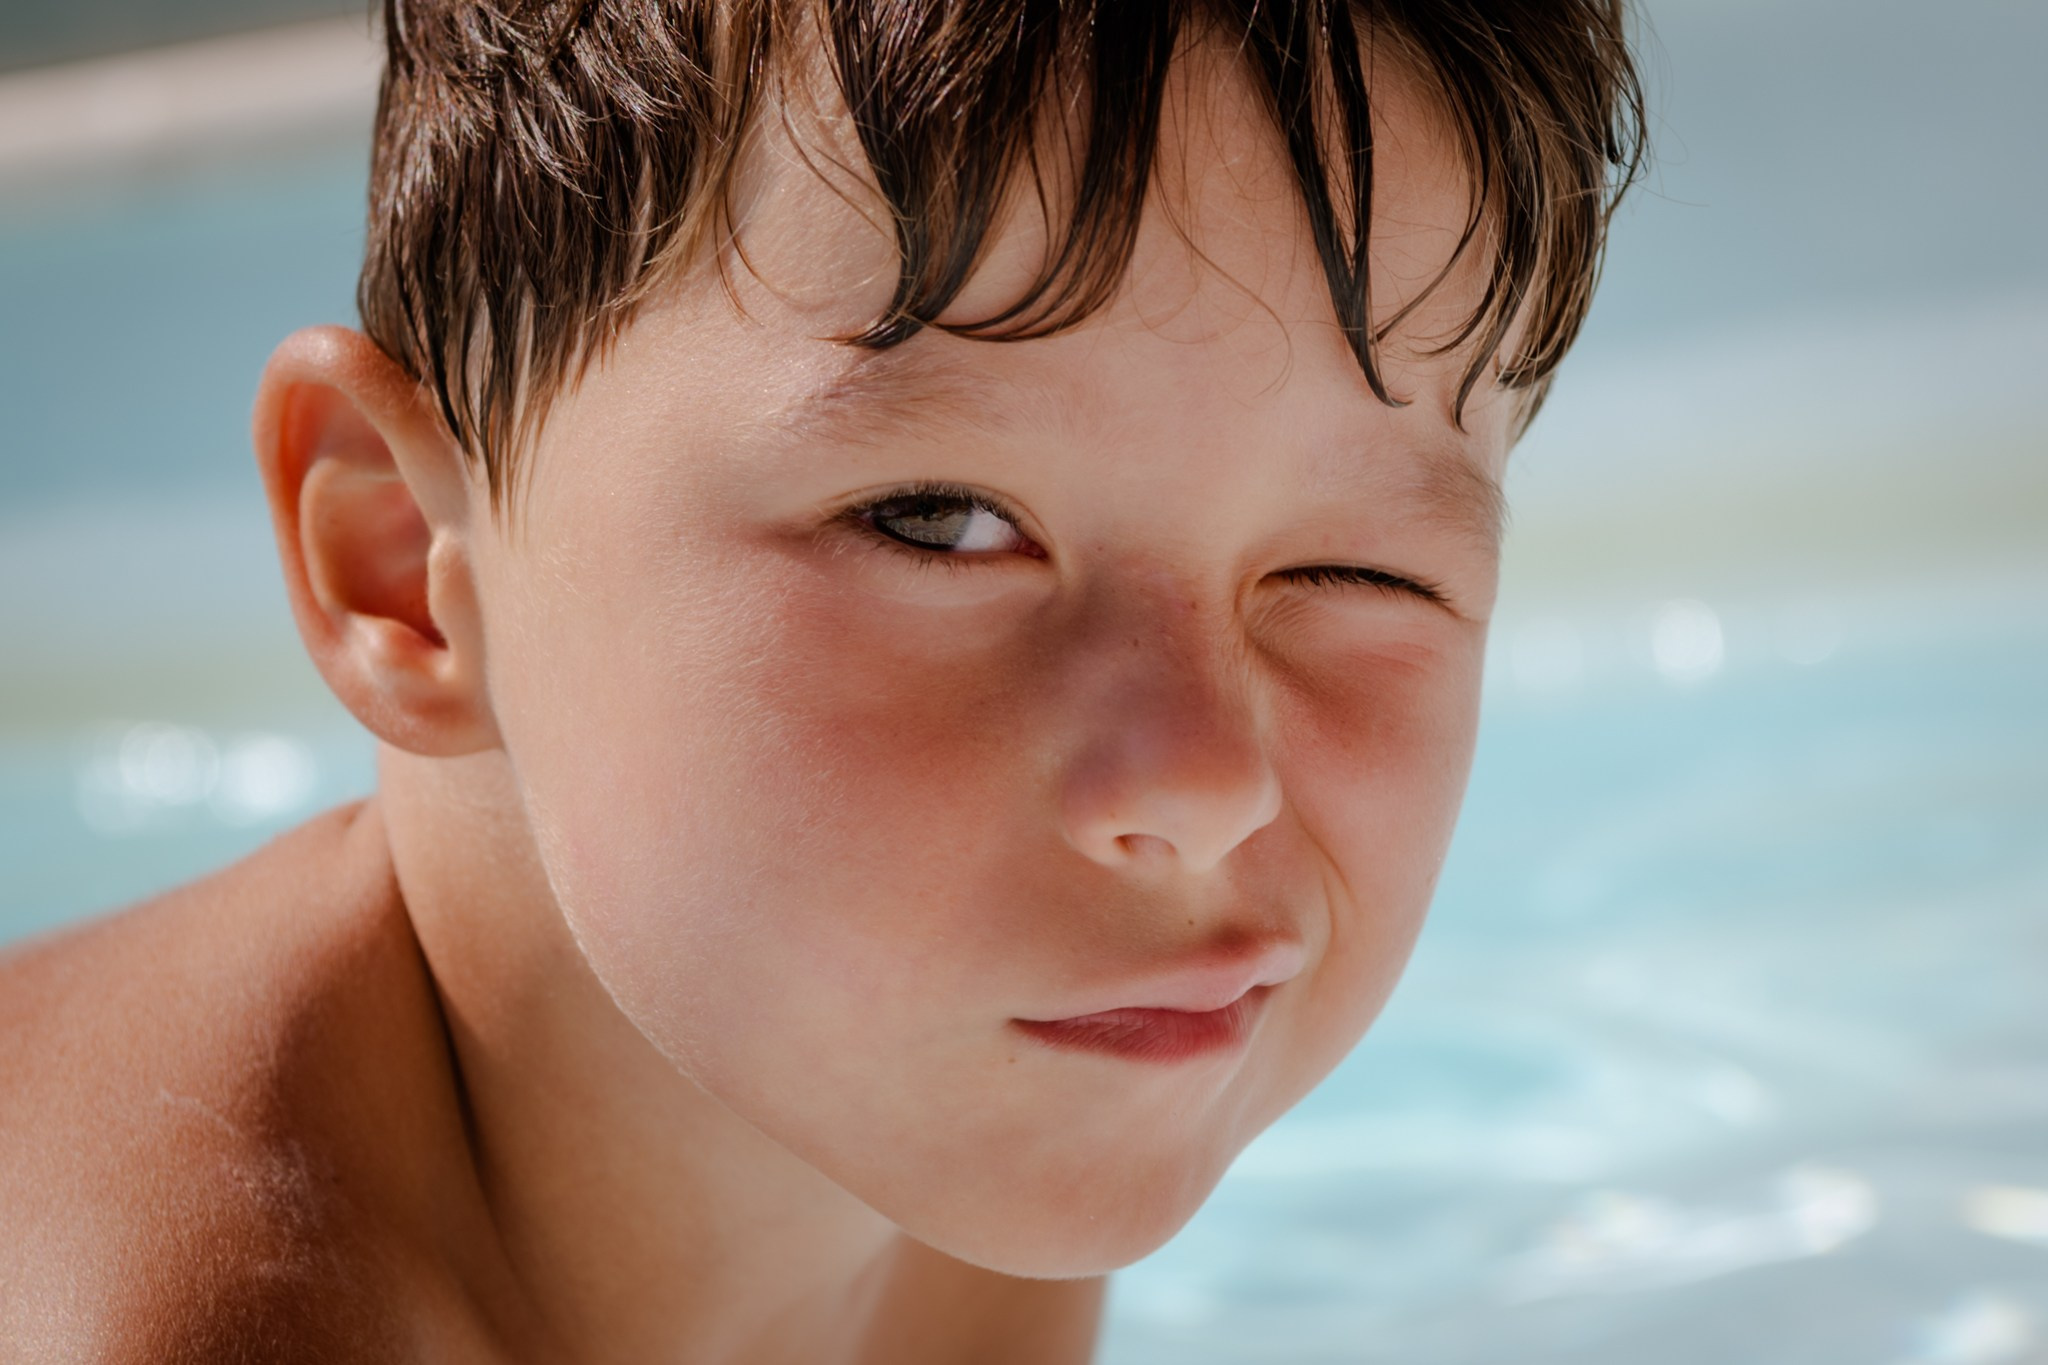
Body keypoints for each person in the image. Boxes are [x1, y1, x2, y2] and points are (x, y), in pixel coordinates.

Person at [0, 1, 1645, 1358]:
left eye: (1357, 568)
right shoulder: (185, 1320)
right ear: (409, 574)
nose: (1203, 779)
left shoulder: (969, 1103)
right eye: (939, 523)